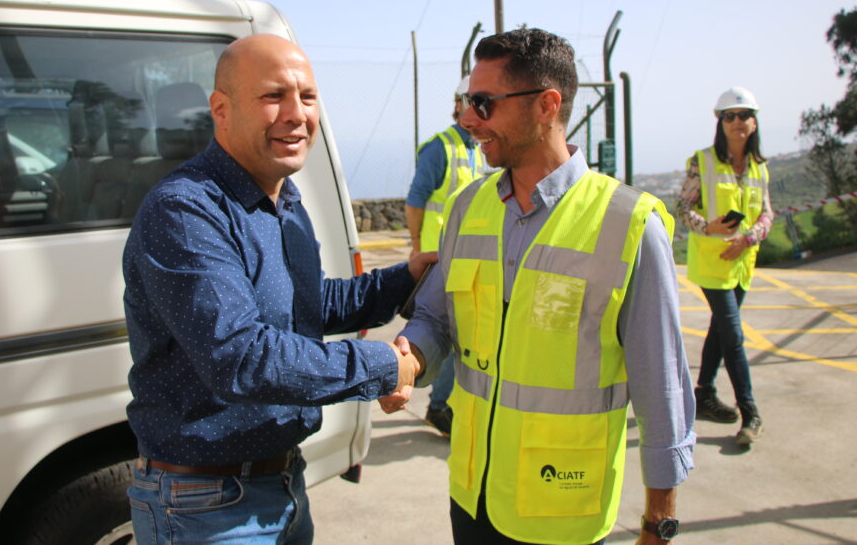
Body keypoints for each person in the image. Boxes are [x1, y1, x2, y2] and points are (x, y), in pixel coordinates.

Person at [383, 27, 695, 545]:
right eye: (467, 102)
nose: (467, 119)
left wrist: (659, 520)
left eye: (483, 103)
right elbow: (437, 318)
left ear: (547, 106)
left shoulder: (630, 224)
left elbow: (660, 382)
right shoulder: (467, 207)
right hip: (473, 495)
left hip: (561, 510)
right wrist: (408, 360)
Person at [123, 34, 429, 544]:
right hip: (205, 508)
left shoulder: (284, 200)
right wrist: (383, 365)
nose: (296, 114)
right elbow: (241, 357)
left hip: (284, 486)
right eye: (273, 96)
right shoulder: (185, 209)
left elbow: (306, 307)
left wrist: (407, 278)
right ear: (221, 110)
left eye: (307, 96)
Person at [676, 87, 772, 447]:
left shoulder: (759, 167)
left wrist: (749, 238)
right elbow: (683, 208)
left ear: (754, 122)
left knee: (720, 331)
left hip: (742, 265)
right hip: (712, 266)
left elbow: (767, 214)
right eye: (729, 116)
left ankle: (704, 394)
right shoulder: (701, 161)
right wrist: (709, 227)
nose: (736, 121)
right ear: (720, 122)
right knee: (733, 335)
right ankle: (750, 412)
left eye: (743, 115)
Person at [404, 75, 485, 436]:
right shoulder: (439, 148)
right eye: (477, 103)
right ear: (461, 104)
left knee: (462, 337)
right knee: (449, 337)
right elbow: (416, 201)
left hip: (465, 259)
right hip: (438, 260)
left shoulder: (476, 149)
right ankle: (439, 407)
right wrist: (416, 245)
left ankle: (443, 404)